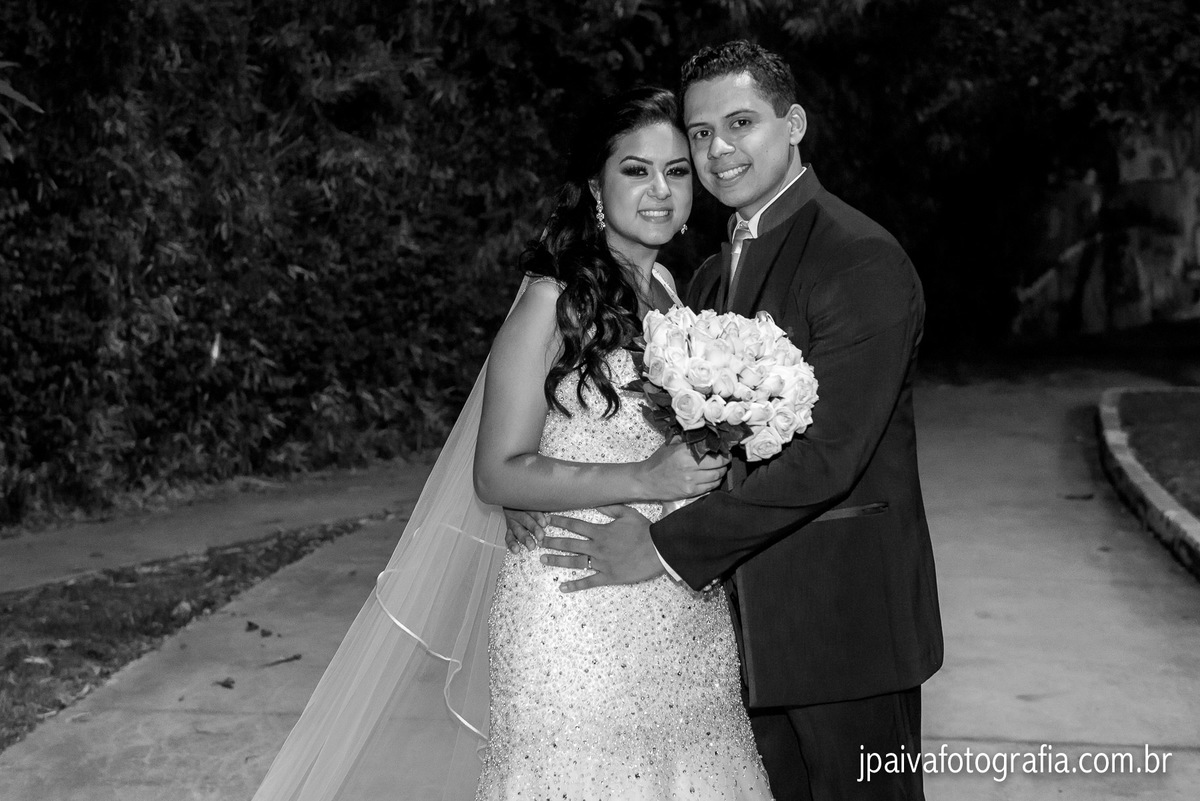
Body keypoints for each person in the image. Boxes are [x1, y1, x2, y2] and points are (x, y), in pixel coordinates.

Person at [250, 86, 772, 801]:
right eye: (636, 170)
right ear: (595, 188)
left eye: (677, 171)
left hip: (676, 604)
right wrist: (646, 477)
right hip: (576, 610)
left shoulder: (670, 291)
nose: (661, 190)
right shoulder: (551, 300)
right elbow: (497, 472)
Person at [519, 41, 944, 800]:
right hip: (737, 637)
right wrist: (541, 481)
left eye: (741, 122)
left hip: (841, 631)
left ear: (796, 123)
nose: (719, 150)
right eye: (702, 133)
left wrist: (661, 545)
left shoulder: (859, 258)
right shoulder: (711, 275)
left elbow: (828, 459)